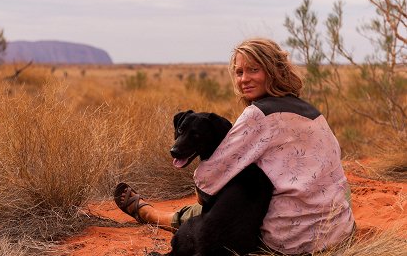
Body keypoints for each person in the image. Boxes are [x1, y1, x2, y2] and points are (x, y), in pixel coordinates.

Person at [114, 37, 355, 255]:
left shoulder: (258, 115)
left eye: (253, 69)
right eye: (239, 72)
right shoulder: (313, 112)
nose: (244, 79)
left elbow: (207, 186)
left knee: (228, 202)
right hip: (337, 231)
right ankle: (159, 216)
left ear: (273, 71)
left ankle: (154, 216)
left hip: (289, 240)